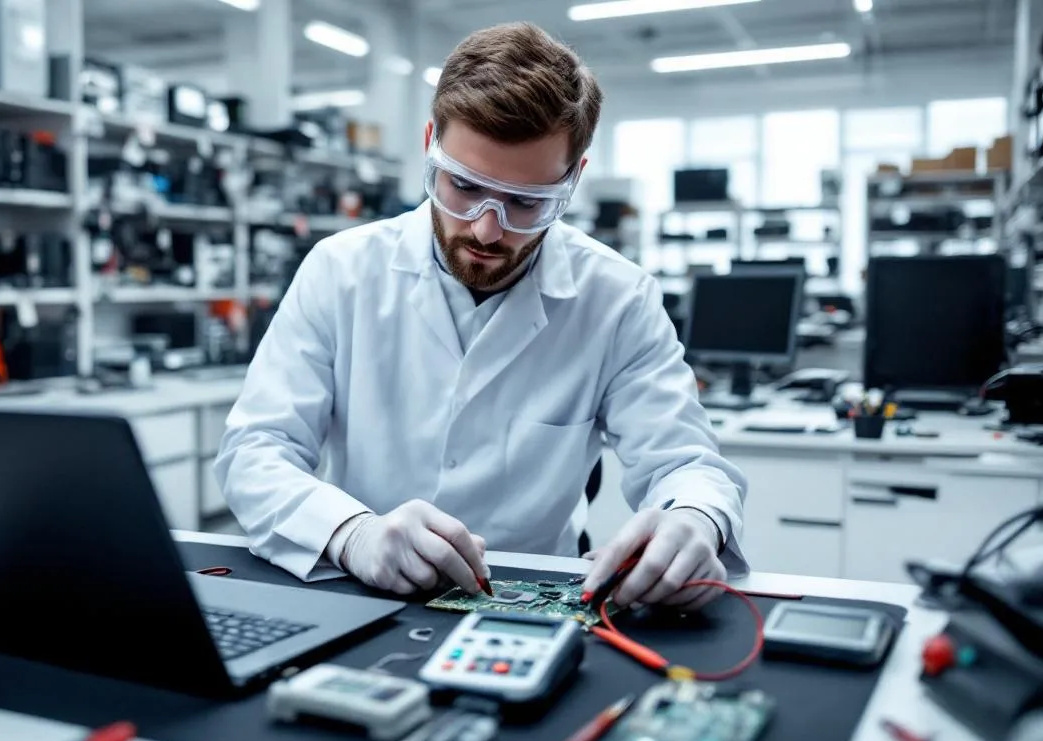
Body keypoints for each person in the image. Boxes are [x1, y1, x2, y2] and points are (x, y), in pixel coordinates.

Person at [215, 22, 748, 612]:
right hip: (363, 592)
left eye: (527, 202)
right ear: (429, 144)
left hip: (534, 606)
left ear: (573, 177)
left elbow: (688, 464)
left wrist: (696, 520)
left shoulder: (618, 298)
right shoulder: (340, 270)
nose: (487, 229)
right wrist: (351, 533)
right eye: (465, 186)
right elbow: (256, 451)